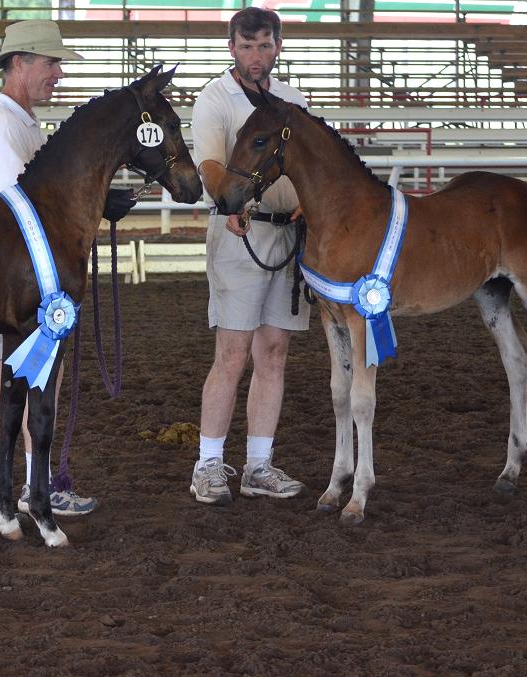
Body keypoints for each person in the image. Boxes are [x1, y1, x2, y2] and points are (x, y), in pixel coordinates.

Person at [0, 20, 134, 529]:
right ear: (19, 64)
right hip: (5, 278)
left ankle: (39, 486)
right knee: (0, 378)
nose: (57, 73)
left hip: (28, 278)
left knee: (34, 380)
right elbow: (29, 202)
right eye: (50, 63)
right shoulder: (0, 123)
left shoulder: (22, 121)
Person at [189, 7, 311, 506]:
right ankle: (209, 463)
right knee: (233, 354)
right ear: (231, 48)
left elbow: (308, 165)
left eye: (264, 46)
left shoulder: (293, 100)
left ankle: (259, 464)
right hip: (240, 233)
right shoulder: (214, 99)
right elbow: (212, 164)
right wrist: (228, 202)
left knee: (274, 351)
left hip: (286, 236)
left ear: (278, 47)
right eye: (246, 46)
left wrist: (308, 200)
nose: (256, 56)